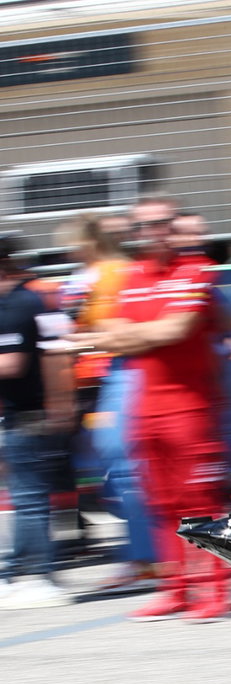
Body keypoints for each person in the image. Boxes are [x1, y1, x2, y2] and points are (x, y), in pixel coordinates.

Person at [73, 197, 231, 621]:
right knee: (159, 502)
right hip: (144, 408)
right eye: (144, 225)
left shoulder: (195, 270)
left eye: (162, 223)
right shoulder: (129, 277)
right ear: (133, 232)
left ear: (173, 226)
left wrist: (135, 334)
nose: (154, 232)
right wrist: (147, 333)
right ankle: (176, 587)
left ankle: (214, 587)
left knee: (200, 501)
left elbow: (176, 328)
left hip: (190, 408)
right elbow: (106, 334)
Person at [56, 212, 156, 592]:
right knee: (118, 465)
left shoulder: (110, 274)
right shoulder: (97, 275)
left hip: (118, 371)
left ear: (86, 243)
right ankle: (145, 554)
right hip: (102, 374)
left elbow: (98, 328)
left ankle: (149, 556)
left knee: (123, 464)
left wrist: (79, 341)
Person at [0, 234, 76, 609]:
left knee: (30, 501)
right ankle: (13, 573)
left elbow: (11, 364)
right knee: (25, 499)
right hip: (27, 414)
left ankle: (40, 576)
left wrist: (60, 404)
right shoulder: (22, 301)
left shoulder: (17, 305)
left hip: (28, 416)